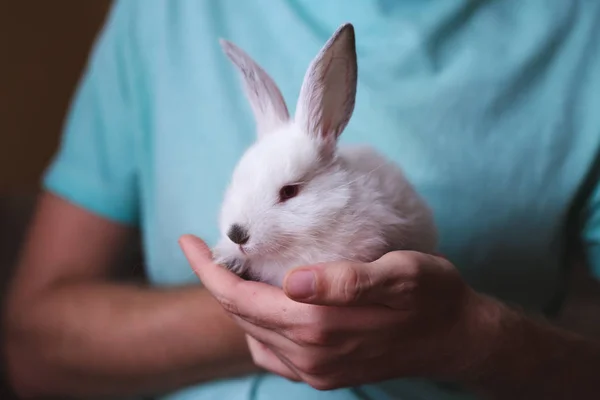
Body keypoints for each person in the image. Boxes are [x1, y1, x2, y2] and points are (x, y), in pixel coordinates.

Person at [4, 0, 600, 399]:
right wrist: (252, 317)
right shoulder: (157, 15)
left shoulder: (581, 31)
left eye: (289, 193)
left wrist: (469, 335)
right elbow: (29, 348)